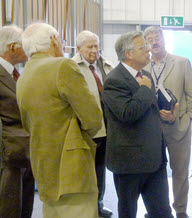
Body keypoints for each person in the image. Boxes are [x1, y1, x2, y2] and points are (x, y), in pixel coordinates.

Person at [16, 23, 102, 218]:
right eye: (61, 40)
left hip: (44, 167)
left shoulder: (23, 75)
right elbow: (93, 119)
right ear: (53, 40)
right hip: (72, 171)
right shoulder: (63, 66)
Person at [102, 31, 173, 218]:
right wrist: (143, 88)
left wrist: (167, 111)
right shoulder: (113, 80)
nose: (148, 50)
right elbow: (127, 114)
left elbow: (149, 109)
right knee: (128, 212)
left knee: (163, 212)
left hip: (155, 160)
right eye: (143, 47)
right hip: (129, 162)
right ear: (129, 54)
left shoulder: (145, 74)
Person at [144, 26, 192, 218]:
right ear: (146, 45)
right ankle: (159, 210)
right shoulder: (142, 68)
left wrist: (187, 118)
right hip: (153, 131)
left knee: (180, 172)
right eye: (149, 39)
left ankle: (181, 209)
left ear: (164, 39)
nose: (154, 41)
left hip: (178, 128)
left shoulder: (182, 63)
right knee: (155, 174)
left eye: (157, 37)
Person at [72, 30, 113, 217]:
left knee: (100, 170)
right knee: (83, 172)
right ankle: (85, 209)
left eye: (96, 46)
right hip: (84, 131)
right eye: (90, 46)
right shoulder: (70, 67)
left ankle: (98, 205)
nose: (94, 50)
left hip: (105, 129)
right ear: (79, 48)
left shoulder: (105, 66)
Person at [0, 25, 35, 218]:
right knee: (9, 205)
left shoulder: (15, 74)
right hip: (7, 153)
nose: (28, 50)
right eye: (25, 45)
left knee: (24, 204)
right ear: (12, 47)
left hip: (24, 151)